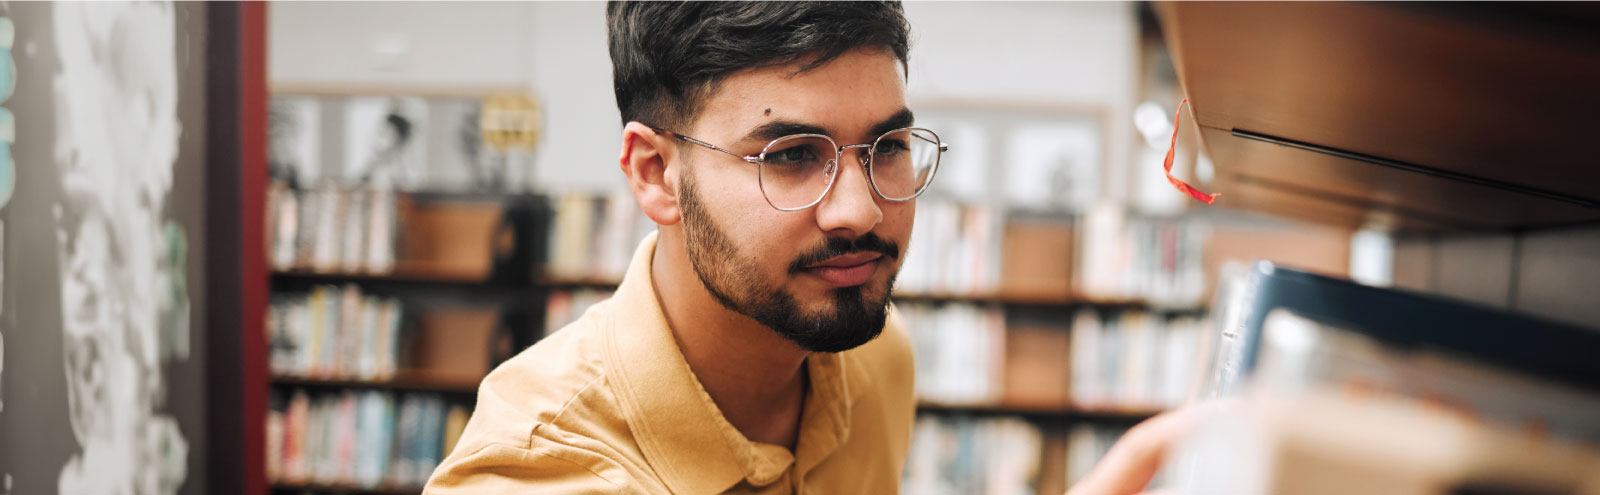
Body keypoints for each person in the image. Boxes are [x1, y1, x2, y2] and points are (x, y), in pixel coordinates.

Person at [426, 2, 1200, 494]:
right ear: (657, 173)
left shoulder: (872, 357)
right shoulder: (541, 472)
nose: (861, 210)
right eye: (792, 154)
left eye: (888, 144)